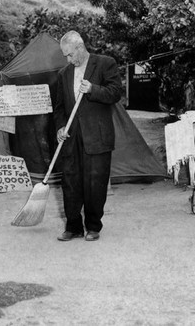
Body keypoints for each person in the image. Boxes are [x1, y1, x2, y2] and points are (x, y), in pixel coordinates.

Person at [54, 31, 122, 241]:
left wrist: (93, 89)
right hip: (71, 138)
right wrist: (60, 127)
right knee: (71, 182)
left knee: (95, 183)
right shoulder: (64, 74)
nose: (68, 59)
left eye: (69, 54)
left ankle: (93, 226)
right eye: (65, 55)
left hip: (97, 136)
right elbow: (59, 108)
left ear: (80, 48)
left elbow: (115, 93)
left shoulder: (105, 63)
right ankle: (73, 226)